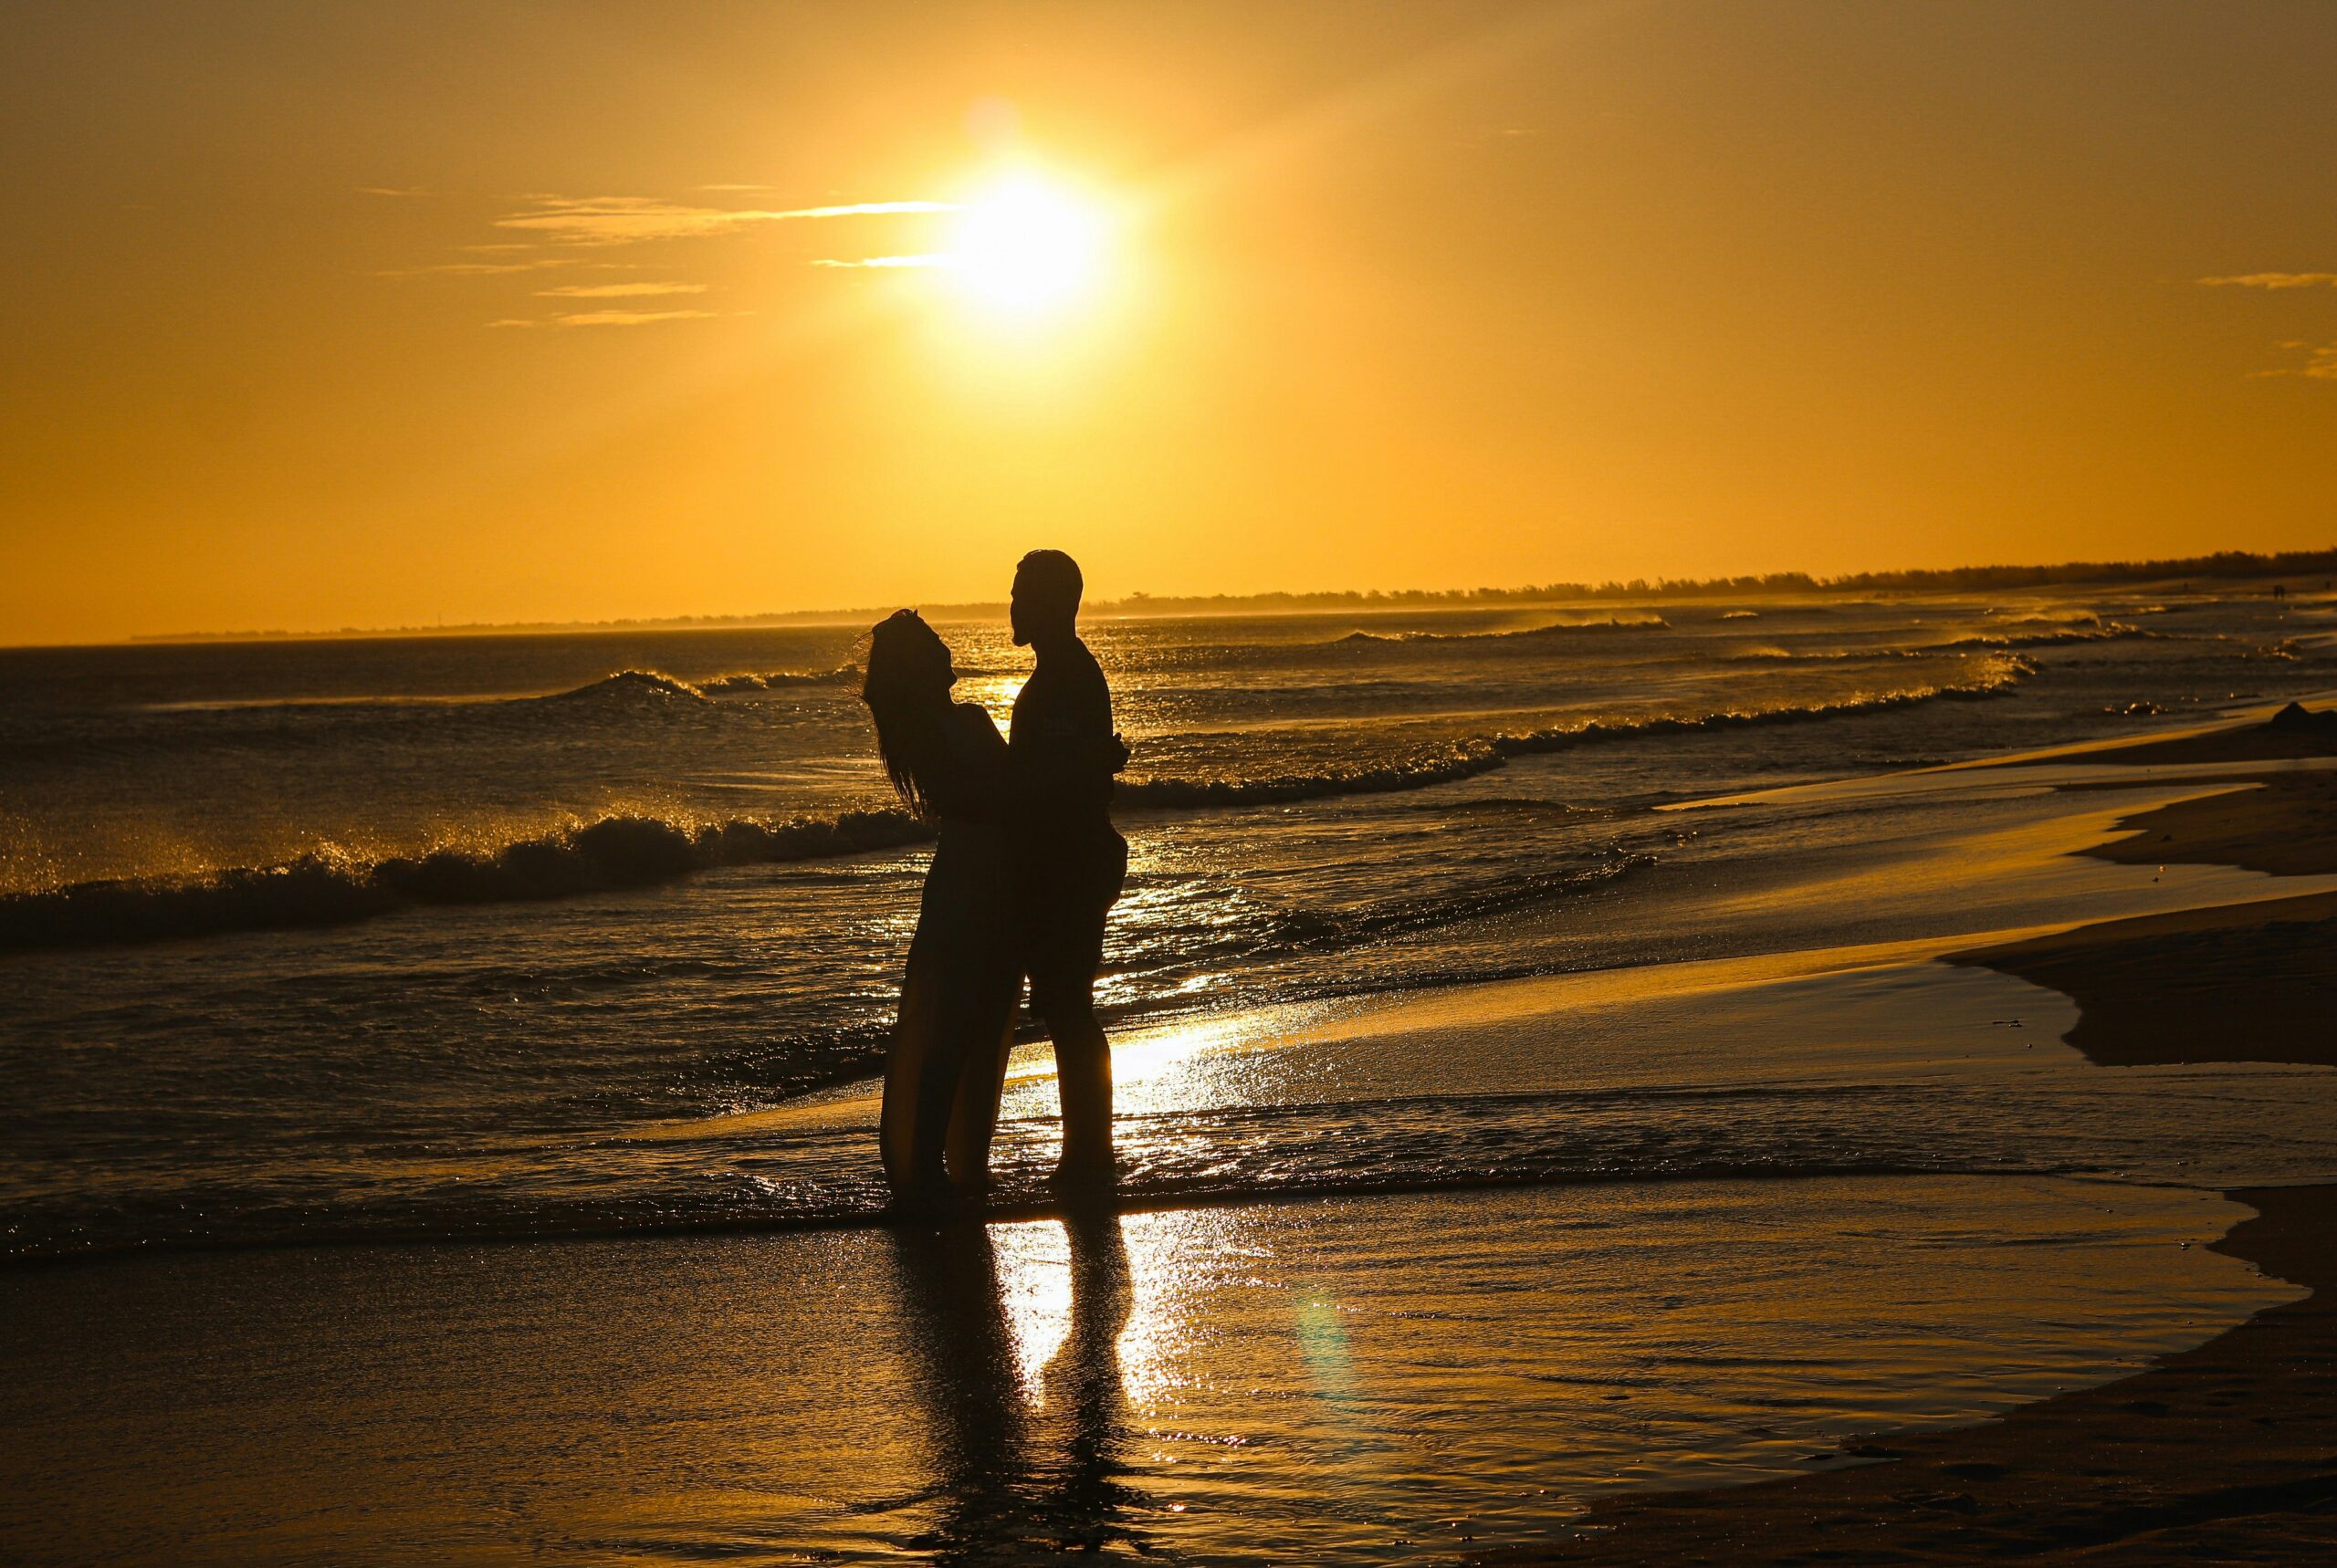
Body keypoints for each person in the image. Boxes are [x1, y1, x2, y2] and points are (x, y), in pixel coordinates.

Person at [863, 609, 1022, 1205]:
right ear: (920, 665)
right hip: (981, 883)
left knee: (952, 1028)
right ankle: (936, 1166)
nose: (943, 644)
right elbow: (1004, 797)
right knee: (963, 1028)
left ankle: (934, 1162)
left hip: (961, 880)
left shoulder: (925, 735)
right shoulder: (963, 725)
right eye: (932, 641)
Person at [1005, 550, 1130, 1191]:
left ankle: (1089, 1155)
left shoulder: (1067, 679)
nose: (1012, 608)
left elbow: (1055, 781)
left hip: (1072, 865)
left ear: (1055, 604)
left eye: (1023, 596)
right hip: (1069, 860)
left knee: (1070, 1009)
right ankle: (1085, 1152)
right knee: (1065, 1006)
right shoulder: (1061, 676)